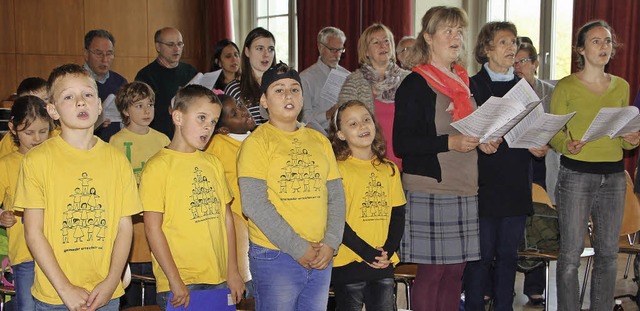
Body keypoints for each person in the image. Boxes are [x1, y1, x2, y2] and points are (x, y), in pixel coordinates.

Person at [14, 63, 140, 310]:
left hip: (105, 294)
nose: (81, 102)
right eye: (69, 97)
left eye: (88, 94)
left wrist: (111, 281)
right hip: (56, 295)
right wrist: (65, 289)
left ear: (100, 104)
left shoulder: (118, 161)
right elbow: (33, 232)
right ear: (52, 110)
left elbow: (124, 228)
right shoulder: (36, 160)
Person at [237, 63, 346, 311]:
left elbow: (336, 197)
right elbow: (254, 204)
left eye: (295, 89)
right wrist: (298, 247)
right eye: (279, 90)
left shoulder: (319, 140)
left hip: (321, 253)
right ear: (264, 101)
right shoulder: (256, 143)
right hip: (276, 255)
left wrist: (330, 243)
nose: (289, 95)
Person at [549, 20, 640, 311]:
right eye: (596, 41)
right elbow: (554, 132)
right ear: (581, 49)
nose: (604, 47)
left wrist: (632, 139)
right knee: (571, 255)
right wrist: (567, 145)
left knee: (608, 255)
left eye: (608, 42)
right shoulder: (566, 86)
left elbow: (624, 142)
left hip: (613, 176)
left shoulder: (621, 86)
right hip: (576, 174)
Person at [394, 7, 480, 311]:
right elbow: (403, 144)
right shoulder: (415, 84)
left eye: (459, 31)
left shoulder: (464, 82)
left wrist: (486, 141)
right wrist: (450, 142)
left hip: (465, 185)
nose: (456, 37)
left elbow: (469, 129)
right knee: (432, 273)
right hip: (431, 187)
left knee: (456, 272)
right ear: (428, 37)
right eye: (448, 31)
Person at [462, 21, 549, 311]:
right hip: (481, 182)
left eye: (513, 42)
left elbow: (535, 134)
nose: (512, 47)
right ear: (486, 49)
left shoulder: (524, 88)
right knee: (481, 257)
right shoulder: (471, 86)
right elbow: (463, 132)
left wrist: (540, 146)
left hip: (515, 182)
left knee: (508, 256)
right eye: (504, 42)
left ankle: (504, 307)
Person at [140, 85, 244, 310]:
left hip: (218, 276)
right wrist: (174, 280)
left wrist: (233, 270)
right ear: (178, 116)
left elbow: (226, 219)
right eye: (202, 118)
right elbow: (152, 229)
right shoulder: (157, 167)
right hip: (181, 281)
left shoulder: (213, 163)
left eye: (214, 121)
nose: (208, 127)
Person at [329, 100, 406, 310]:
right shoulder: (337, 170)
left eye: (366, 120)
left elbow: (398, 214)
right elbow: (336, 220)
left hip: (382, 262)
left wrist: (387, 252)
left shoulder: (388, 169)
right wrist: (367, 253)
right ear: (340, 134)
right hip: (349, 262)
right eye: (352, 124)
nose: (362, 126)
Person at [109, 81, 170, 308]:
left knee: (156, 286)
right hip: (132, 225)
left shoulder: (163, 140)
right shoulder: (115, 142)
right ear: (125, 110)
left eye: (150, 104)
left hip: (158, 222)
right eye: (139, 105)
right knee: (131, 288)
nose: (147, 111)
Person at [0, 95, 53, 311]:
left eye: (43, 131)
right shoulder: (6, 164)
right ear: (13, 128)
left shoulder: (54, 160)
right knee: (27, 307)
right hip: (24, 253)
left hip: (56, 252)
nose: (37, 138)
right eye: (28, 132)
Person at [513, 41, 556, 307]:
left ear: (536, 63)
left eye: (524, 61)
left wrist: (549, 142)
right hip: (513, 164)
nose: (518, 67)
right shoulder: (506, 93)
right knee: (509, 224)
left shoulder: (550, 93)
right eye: (514, 62)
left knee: (538, 223)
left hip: (542, 163)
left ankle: (535, 286)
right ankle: (497, 285)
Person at [204, 94, 257, 297]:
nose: (243, 111)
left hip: (263, 226)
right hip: (236, 228)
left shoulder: (261, 138)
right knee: (244, 288)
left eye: (241, 105)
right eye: (234, 113)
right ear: (224, 128)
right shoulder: (217, 144)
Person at [338, 23, 409, 169]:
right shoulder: (354, 81)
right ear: (366, 51)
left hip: (407, 162)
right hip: (368, 161)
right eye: (376, 42)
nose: (382, 46)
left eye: (386, 41)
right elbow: (343, 122)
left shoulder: (409, 80)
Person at [135, 27, 198, 138]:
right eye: (170, 45)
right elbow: (143, 110)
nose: (176, 49)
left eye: (180, 44)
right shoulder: (146, 75)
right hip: (159, 135)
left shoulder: (190, 71)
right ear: (158, 46)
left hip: (188, 133)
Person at [300, 26, 350, 134]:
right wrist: (327, 114)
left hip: (346, 134)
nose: (337, 55)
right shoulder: (305, 78)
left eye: (340, 50)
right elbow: (303, 118)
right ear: (320, 47)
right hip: (318, 136)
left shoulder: (348, 76)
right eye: (332, 50)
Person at [224, 27, 276, 126]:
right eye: (260, 49)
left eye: (270, 49)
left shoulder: (280, 85)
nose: (266, 55)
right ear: (247, 52)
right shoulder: (234, 89)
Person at [83, 29, 128, 142]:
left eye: (109, 53)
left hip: (115, 146)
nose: (104, 59)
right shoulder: (75, 81)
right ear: (86, 54)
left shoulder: (120, 82)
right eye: (98, 53)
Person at [0, 77, 49, 158]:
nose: (37, 108)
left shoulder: (61, 131)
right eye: (29, 133)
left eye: (45, 99)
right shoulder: (10, 140)